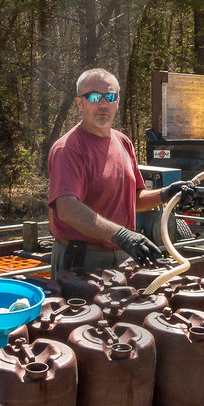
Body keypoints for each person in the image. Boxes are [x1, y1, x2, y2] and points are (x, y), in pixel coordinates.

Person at [46, 67, 195, 278]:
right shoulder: (68, 149)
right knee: (84, 312)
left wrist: (165, 193)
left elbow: (133, 199)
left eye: (110, 96)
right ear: (80, 103)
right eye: (95, 96)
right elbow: (68, 209)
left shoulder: (123, 142)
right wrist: (123, 235)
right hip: (80, 260)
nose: (103, 103)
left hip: (122, 255)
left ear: (117, 102)